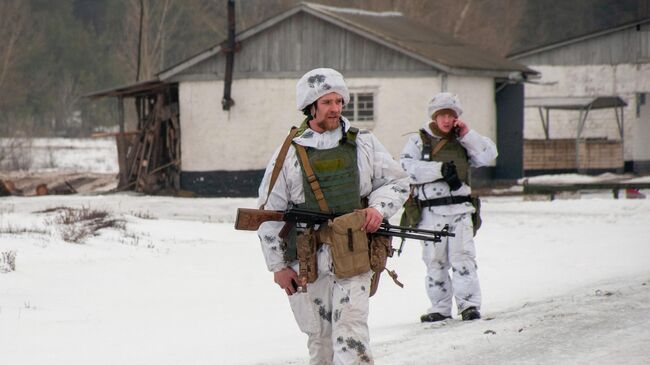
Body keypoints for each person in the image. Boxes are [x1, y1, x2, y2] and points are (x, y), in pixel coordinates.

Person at [256, 68, 409, 364]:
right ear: (310, 106)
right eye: (327, 102)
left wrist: (377, 209)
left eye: (339, 101)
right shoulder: (289, 153)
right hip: (306, 258)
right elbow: (269, 213)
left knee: (352, 335)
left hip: (353, 251)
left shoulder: (363, 143)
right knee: (320, 339)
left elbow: (398, 182)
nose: (336, 108)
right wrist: (277, 266)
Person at [399, 92, 498, 322]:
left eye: (451, 115)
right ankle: (440, 307)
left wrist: (467, 135)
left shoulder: (464, 141)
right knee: (435, 262)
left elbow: (489, 155)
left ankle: (469, 306)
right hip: (430, 213)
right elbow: (404, 167)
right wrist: (439, 170)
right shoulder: (418, 141)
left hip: (460, 211)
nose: (446, 120)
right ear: (434, 116)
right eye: (442, 114)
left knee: (463, 259)